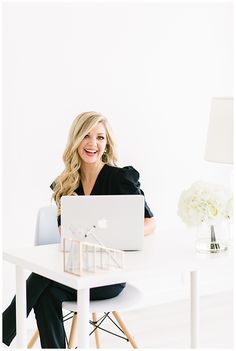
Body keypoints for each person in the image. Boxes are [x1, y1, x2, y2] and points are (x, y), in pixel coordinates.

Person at [2, 111, 155, 348]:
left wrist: (114, 236)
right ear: (76, 139)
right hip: (75, 270)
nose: (93, 143)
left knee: (43, 275)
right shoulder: (67, 182)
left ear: (106, 144)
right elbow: (66, 233)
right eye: (86, 135)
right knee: (46, 294)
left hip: (108, 273)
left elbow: (150, 223)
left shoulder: (120, 179)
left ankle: (4, 327)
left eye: (100, 137)